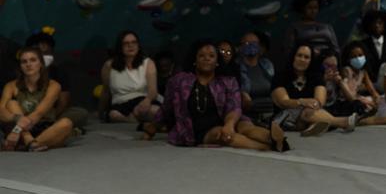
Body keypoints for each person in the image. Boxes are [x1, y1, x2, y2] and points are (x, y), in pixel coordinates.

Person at [150, 40, 288, 151]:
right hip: (200, 128)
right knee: (223, 135)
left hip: (229, 118)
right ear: (195, 60)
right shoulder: (179, 80)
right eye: (202, 56)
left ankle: (273, 138)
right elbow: (166, 107)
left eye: (211, 56)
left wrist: (229, 124)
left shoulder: (228, 81)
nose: (206, 59)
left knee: (246, 127)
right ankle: (267, 147)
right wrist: (153, 127)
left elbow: (234, 106)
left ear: (217, 61)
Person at [272, 44, 356, 136]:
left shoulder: (316, 77)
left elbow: (320, 101)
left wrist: (313, 104)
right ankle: (342, 122)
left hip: (308, 114)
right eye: (299, 55)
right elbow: (283, 102)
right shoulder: (280, 77)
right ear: (293, 57)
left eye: (306, 57)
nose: (302, 59)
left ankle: (311, 128)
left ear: (311, 61)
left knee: (309, 110)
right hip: (285, 117)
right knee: (307, 111)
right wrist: (302, 102)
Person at [1, 47, 73, 151]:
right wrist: (17, 122)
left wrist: (16, 130)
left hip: (43, 128)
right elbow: (1, 111)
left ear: (41, 64)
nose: (28, 64)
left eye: (33, 60)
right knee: (11, 103)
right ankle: (31, 143)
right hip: (20, 132)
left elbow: (39, 113)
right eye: (24, 62)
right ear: (20, 66)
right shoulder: (11, 85)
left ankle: (28, 145)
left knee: (66, 123)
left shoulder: (53, 85)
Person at [23, 32, 87, 130]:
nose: (43, 56)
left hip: (52, 114)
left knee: (80, 113)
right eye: (38, 51)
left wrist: (49, 118)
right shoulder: (22, 71)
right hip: (26, 114)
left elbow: (63, 101)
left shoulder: (57, 73)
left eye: (46, 52)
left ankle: (49, 127)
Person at [100, 30, 160, 124]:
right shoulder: (109, 65)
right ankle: (132, 120)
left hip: (142, 100)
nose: (130, 46)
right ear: (120, 47)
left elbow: (153, 91)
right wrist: (101, 111)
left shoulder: (148, 63)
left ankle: (139, 119)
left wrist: (147, 101)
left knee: (156, 112)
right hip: (121, 104)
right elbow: (105, 91)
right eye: (126, 43)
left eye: (134, 42)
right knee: (113, 115)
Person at [283, 0, 340, 65]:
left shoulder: (327, 27)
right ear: (302, 9)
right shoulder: (295, 27)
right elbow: (289, 51)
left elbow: (336, 49)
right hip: (307, 62)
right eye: (309, 8)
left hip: (328, 62)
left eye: (315, 8)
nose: (313, 11)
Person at [237, 31, 275, 125]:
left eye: (254, 43)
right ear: (240, 47)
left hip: (272, 112)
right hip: (249, 116)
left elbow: (276, 90)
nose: (251, 46)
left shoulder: (267, 65)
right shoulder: (236, 67)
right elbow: (243, 102)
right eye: (246, 43)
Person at [339, 42, 379, 116]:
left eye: (360, 55)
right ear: (348, 59)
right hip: (346, 101)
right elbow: (349, 96)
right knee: (365, 104)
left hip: (357, 98)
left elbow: (372, 90)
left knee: (375, 100)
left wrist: (377, 98)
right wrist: (367, 102)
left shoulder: (363, 72)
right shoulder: (346, 71)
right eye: (354, 57)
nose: (358, 58)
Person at [358, 9, 386, 83]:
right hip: (369, 83)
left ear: (385, 24)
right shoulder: (363, 44)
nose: (377, 25)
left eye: (380, 23)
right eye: (374, 23)